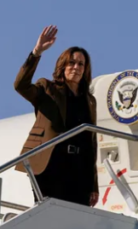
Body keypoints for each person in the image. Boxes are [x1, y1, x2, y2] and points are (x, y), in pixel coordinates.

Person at [14, 25, 99, 207]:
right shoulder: (47, 88)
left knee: (75, 218)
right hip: (50, 163)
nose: (76, 67)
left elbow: (91, 142)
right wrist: (36, 52)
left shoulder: (89, 100)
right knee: (49, 213)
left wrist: (94, 185)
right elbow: (20, 85)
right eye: (71, 63)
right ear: (63, 66)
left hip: (79, 168)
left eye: (80, 64)